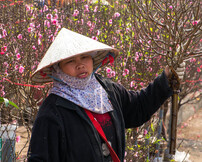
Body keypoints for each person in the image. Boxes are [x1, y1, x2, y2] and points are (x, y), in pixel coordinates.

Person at [27, 28, 185, 162]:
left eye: (84, 57)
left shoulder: (106, 89)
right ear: (58, 68)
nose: (80, 64)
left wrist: (166, 80)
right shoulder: (52, 112)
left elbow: (137, 109)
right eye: (70, 61)